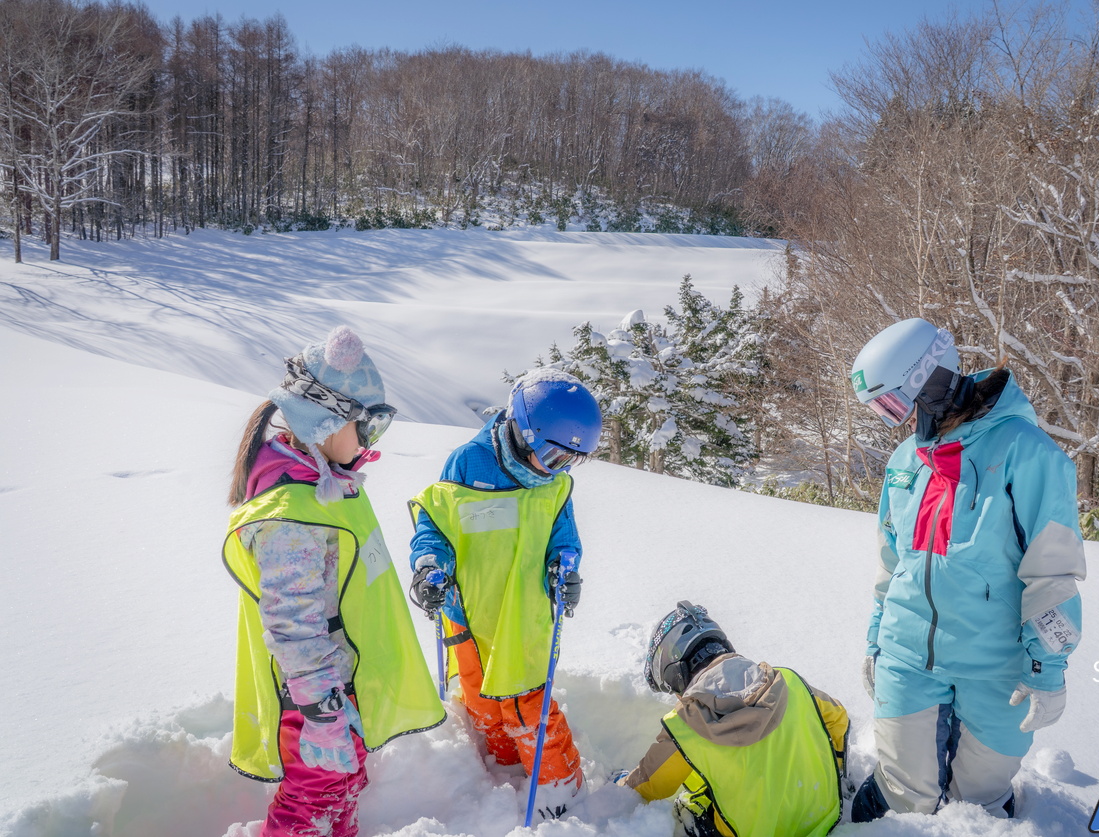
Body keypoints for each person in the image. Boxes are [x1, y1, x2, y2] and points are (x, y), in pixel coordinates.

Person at [845, 317, 1087, 821]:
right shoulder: (907, 459)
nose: (898, 421)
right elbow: (891, 564)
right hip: (907, 656)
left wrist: (1046, 666)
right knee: (902, 799)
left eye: (894, 404)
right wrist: (876, 638)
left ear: (925, 380)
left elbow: (1052, 573)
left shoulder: (1026, 453)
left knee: (978, 802)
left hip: (996, 664)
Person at [222, 325, 446, 837]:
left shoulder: (324, 487)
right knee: (314, 797)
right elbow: (291, 620)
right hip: (314, 697)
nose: (368, 443)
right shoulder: (292, 515)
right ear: (323, 421)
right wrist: (321, 707)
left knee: (343, 787)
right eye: (364, 427)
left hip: (341, 684)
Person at [406, 367, 602, 820]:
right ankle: (503, 763)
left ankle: (560, 786)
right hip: (468, 611)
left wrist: (565, 566)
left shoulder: (553, 483)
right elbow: (436, 524)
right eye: (553, 456)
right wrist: (431, 567)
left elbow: (563, 534)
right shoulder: (467, 464)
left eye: (570, 462)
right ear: (522, 429)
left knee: (529, 701)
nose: (557, 469)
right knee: (479, 697)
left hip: (523, 613)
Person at [614, 601, 849, 837]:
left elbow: (650, 785)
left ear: (677, 674)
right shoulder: (789, 681)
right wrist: (834, 769)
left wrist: (621, 784)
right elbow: (839, 720)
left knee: (686, 807)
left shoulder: (685, 725)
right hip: (823, 819)